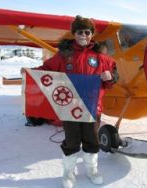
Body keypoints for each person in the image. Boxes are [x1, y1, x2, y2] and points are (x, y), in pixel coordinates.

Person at [22, 15, 118, 188]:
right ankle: (68, 173)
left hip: (92, 107)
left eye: (87, 32)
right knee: (72, 141)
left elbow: (113, 75)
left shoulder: (101, 57)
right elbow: (46, 69)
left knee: (92, 140)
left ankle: (92, 170)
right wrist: (30, 72)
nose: (83, 35)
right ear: (74, 33)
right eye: (80, 32)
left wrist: (110, 77)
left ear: (91, 35)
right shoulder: (64, 55)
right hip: (70, 107)